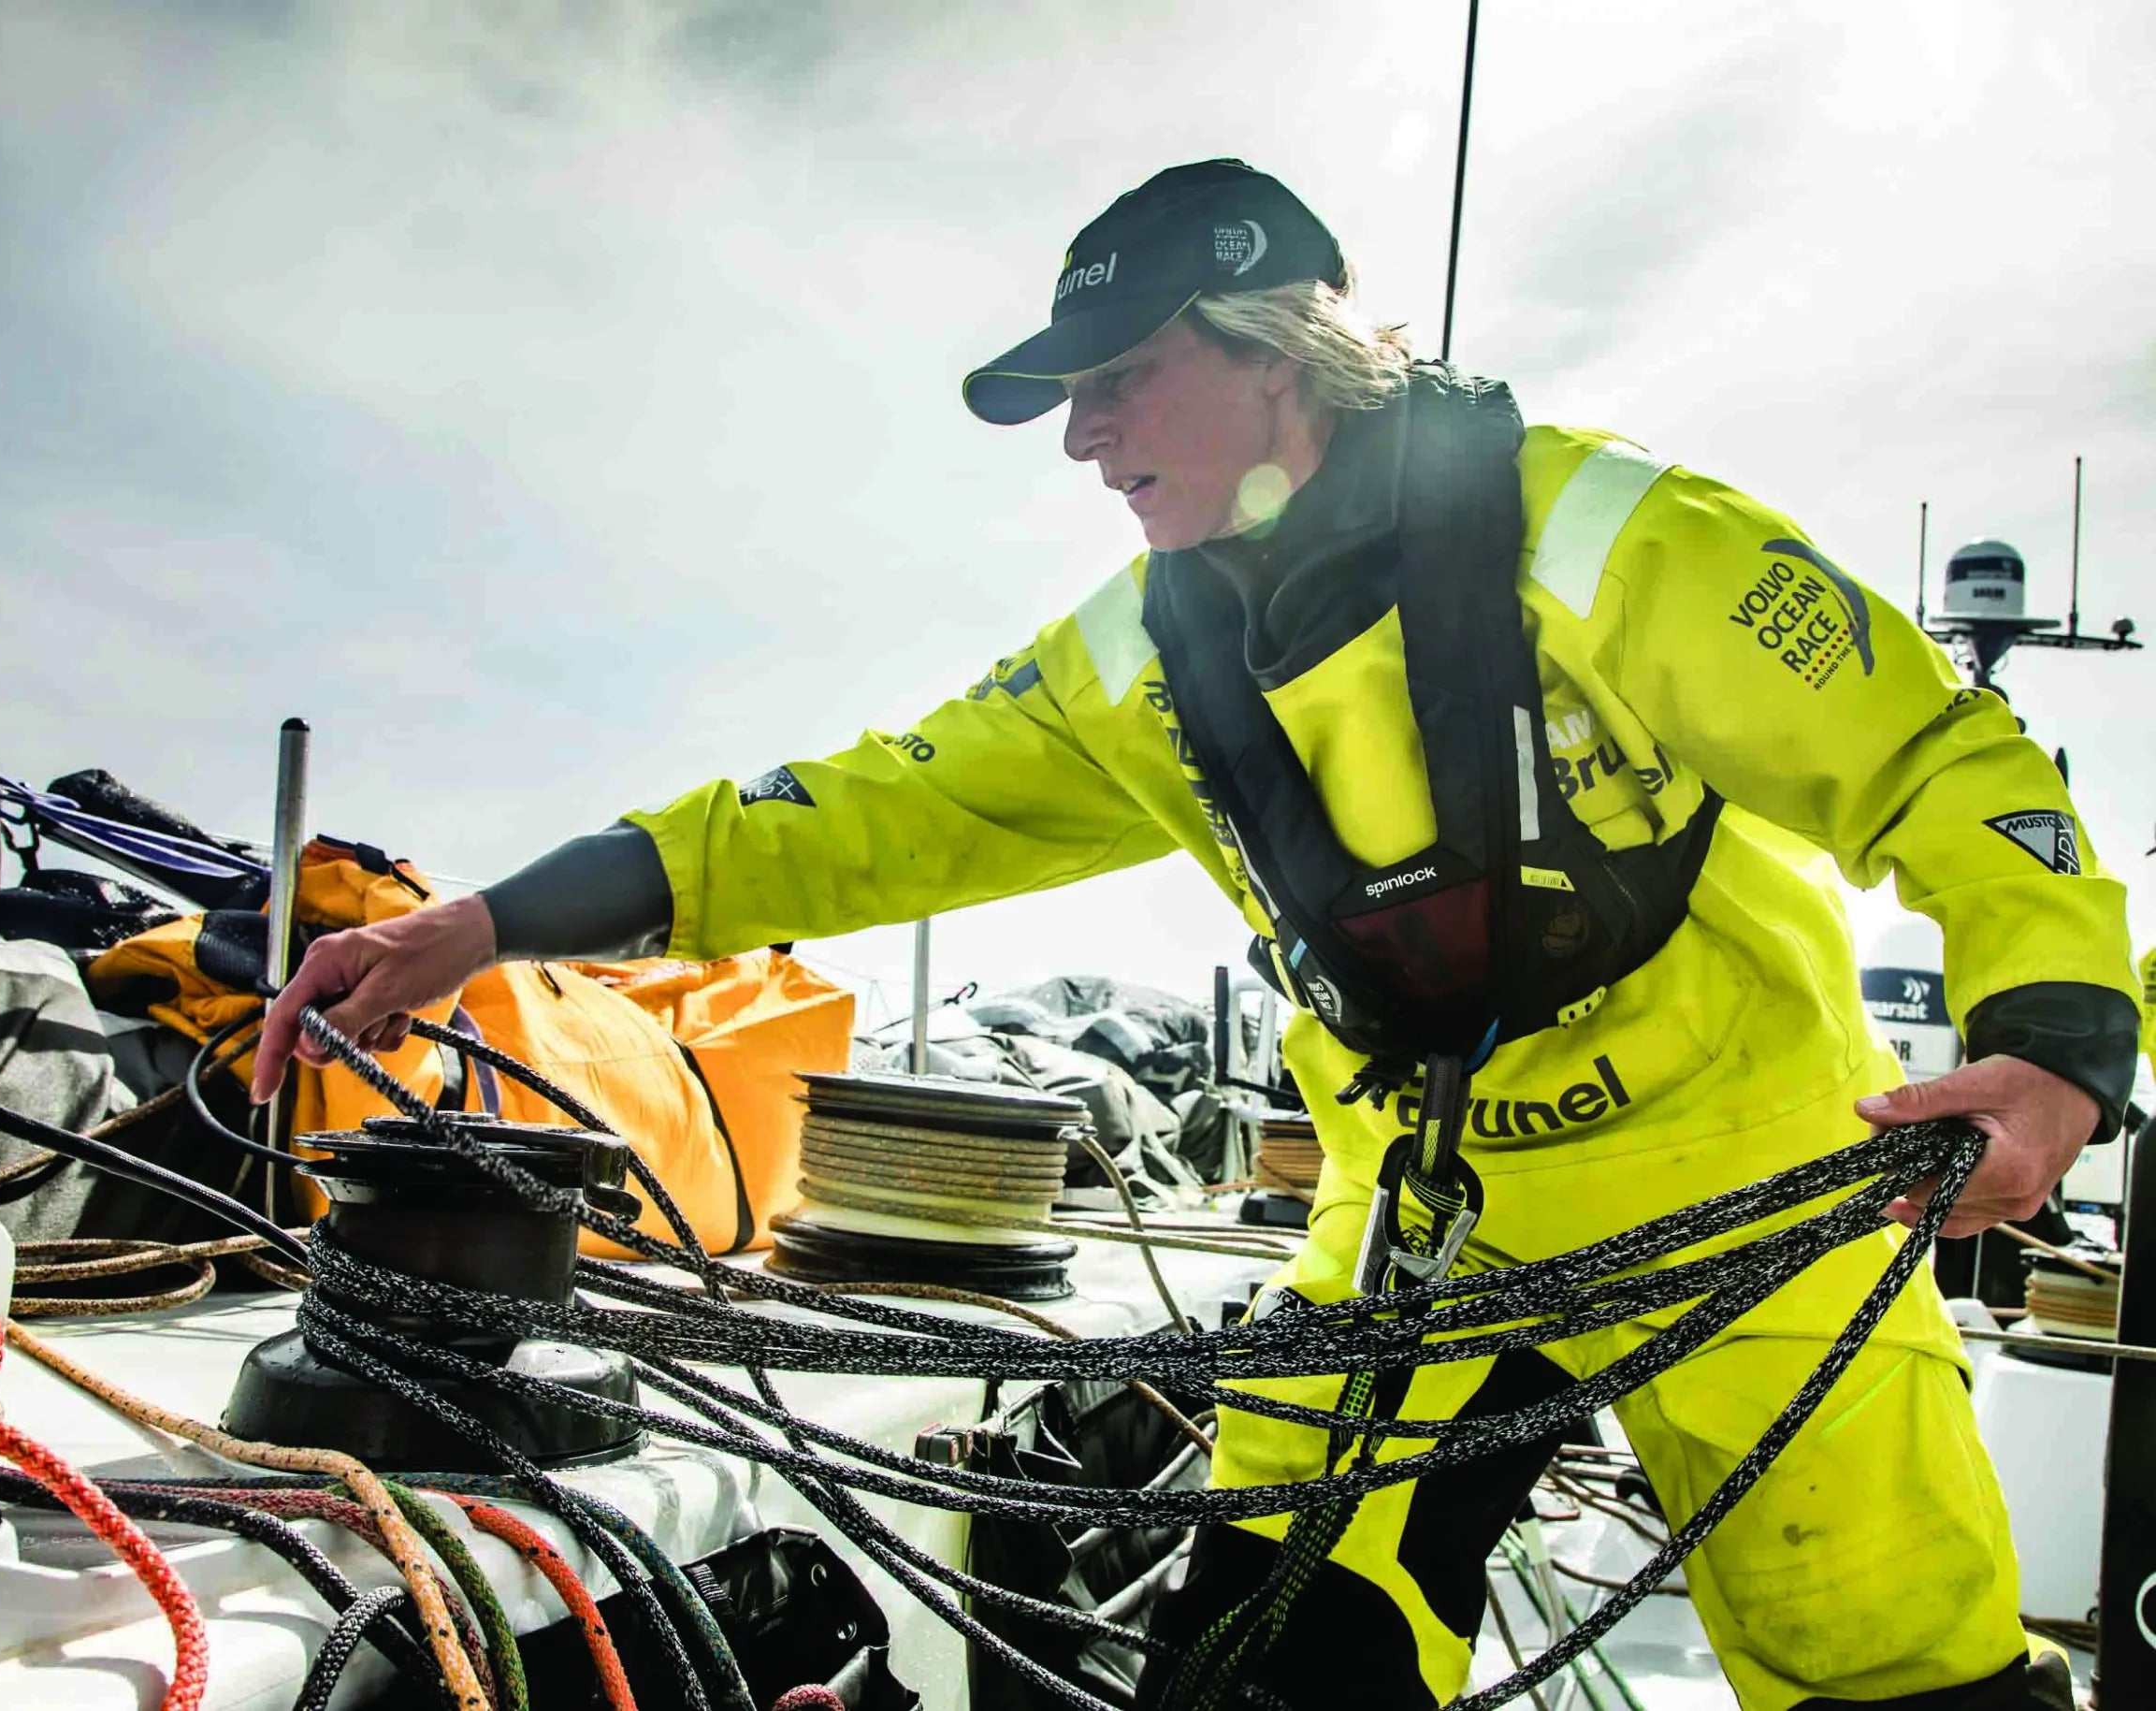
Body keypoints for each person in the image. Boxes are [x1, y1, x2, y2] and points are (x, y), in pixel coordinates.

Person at [254, 161, 2136, 1710]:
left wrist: (2052, 1040)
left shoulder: (1598, 536)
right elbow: (869, 810)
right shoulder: (1125, 659)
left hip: (1750, 1183)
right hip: (1417, 1206)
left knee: (1887, 1662)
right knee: (1263, 1664)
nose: (1079, 441)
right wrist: (492, 921)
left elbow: (1921, 749)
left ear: (1273, 353)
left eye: (1115, 381)